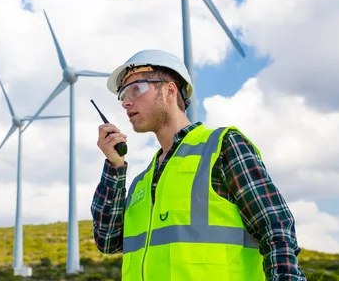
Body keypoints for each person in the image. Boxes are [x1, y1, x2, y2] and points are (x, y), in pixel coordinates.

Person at [91, 49, 306, 280]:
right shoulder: (141, 182)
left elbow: (276, 229)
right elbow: (108, 242)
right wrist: (114, 167)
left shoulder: (222, 146)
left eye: (137, 88)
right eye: (123, 94)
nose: (127, 102)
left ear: (170, 90)